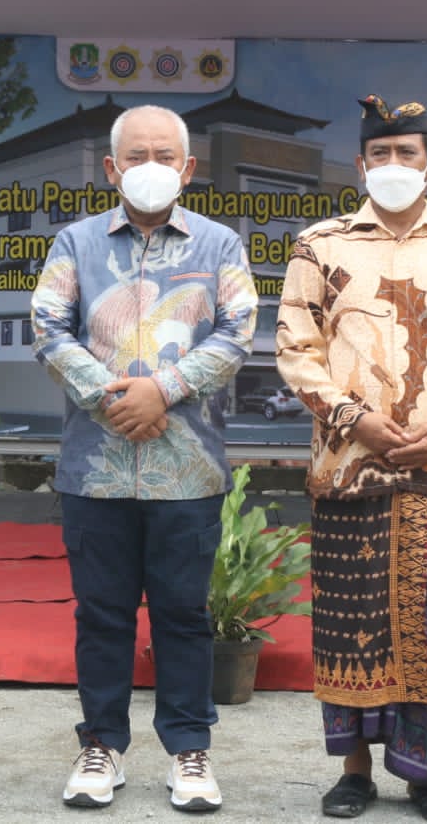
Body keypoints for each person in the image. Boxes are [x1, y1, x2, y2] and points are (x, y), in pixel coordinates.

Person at [275, 96, 427, 824]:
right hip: (350, 472)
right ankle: (352, 773)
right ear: (359, 165)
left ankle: (423, 773)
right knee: (351, 625)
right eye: (379, 156)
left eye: (405, 154)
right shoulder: (320, 245)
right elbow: (295, 348)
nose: (392, 167)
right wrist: (355, 421)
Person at [31, 104, 257, 813]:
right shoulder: (75, 241)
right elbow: (47, 323)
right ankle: (100, 745)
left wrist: (162, 389)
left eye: (165, 154)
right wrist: (110, 398)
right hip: (94, 470)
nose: (150, 166)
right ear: (111, 168)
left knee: (183, 614)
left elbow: (238, 330)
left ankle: (189, 751)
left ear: (188, 169)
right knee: (101, 614)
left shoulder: (220, 246)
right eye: (136, 155)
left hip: (186, 470)